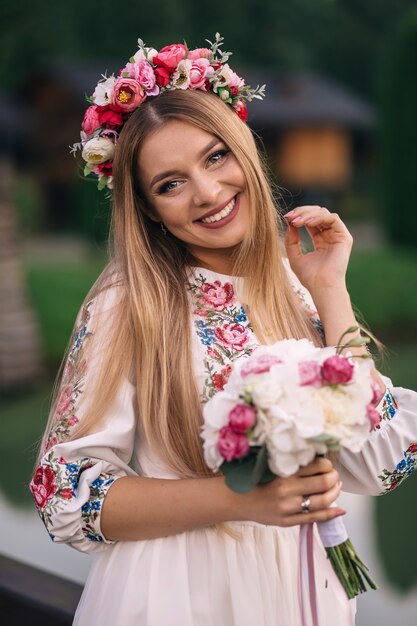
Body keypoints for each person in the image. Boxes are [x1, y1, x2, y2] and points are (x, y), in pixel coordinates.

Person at [30, 36, 417, 626]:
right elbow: (65, 495)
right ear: (149, 209)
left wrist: (329, 290)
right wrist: (238, 498)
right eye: (170, 183)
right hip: (182, 596)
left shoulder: (292, 285)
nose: (208, 193)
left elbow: (386, 463)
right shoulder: (127, 304)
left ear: (245, 152)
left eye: (215, 158)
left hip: (301, 592)